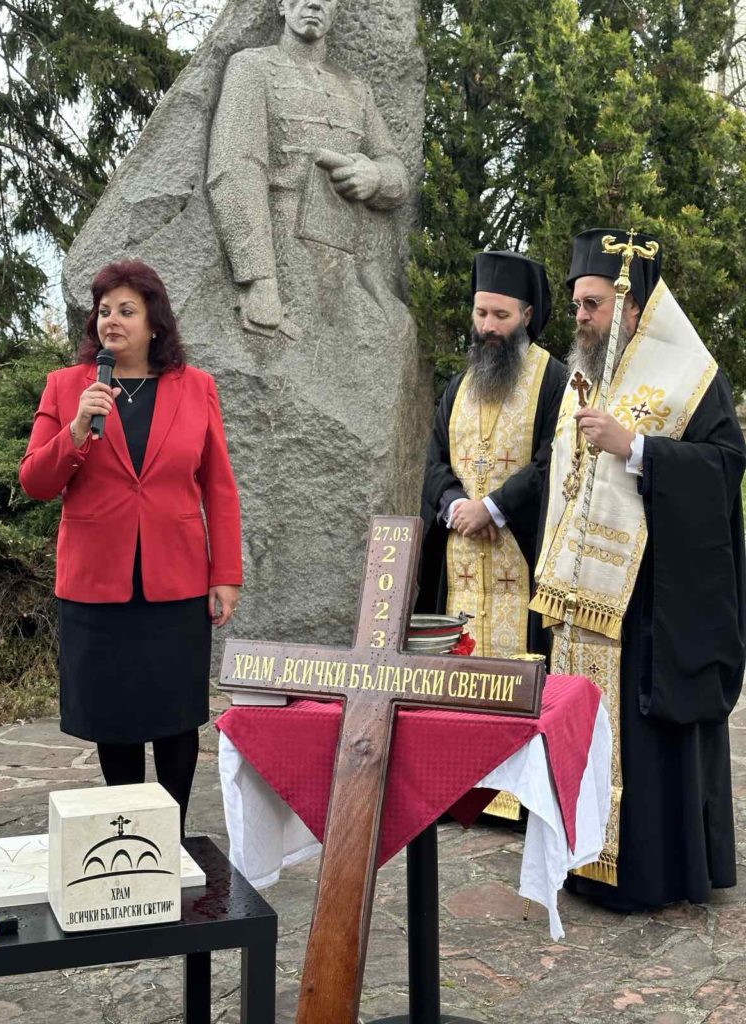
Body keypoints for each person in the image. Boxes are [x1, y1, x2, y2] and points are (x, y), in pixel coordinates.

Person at [531, 228, 746, 910]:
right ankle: (580, 860)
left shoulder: (692, 376)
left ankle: (647, 873)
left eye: (593, 305)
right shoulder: (584, 377)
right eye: (576, 305)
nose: (581, 318)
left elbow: (725, 467)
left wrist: (638, 448)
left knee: (642, 744)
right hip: (581, 600)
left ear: (633, 307)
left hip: (653, 603)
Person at [20, 260, 243, 835]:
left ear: (154, 322)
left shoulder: (197, 387)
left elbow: (219, 486)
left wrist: (226, 573)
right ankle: (132, 835)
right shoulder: (67, 386)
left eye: (126, 310)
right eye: (104, 311)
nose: (112, 321)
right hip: (97, 583)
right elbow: (35, 481)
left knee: (175, 717)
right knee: (113, 717)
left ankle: (170, 839)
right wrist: (75, 431)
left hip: (176, 581)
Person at [417, 250, 566, 821]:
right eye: (481, 313)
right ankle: (460, 790)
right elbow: (434, 461)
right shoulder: (458, 386)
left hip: (521, 561)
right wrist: (455, 503)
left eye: (501, 315)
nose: (487, 327)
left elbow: (557, 461)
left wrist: (496, 508)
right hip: (461, 567)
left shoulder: (555, 382)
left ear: (527, 315)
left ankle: (517, 798)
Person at [207, 0, 410, 340]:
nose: (314, 3)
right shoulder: (252, 67)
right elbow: (235, 170)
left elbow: (395, 169)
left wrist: (375, 177)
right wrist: (259, 278)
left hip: (351, 266)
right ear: (281, 5)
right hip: (284, 257)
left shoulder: (356, 89)